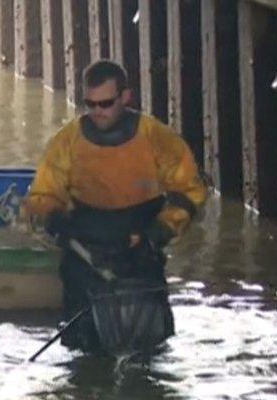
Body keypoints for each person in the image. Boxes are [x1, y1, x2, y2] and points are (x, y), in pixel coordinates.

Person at [23, 60, 207, 354]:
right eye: (90, 104)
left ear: (126, 97)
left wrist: (158, 232)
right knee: (83, 349)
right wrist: (54, 217)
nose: (97, 111)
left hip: (139, 253)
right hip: (84, 255)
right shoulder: (68, 141)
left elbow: (190, 192)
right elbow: (42, 195)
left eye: (106, 103)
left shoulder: (155, 137)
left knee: (147, 347)